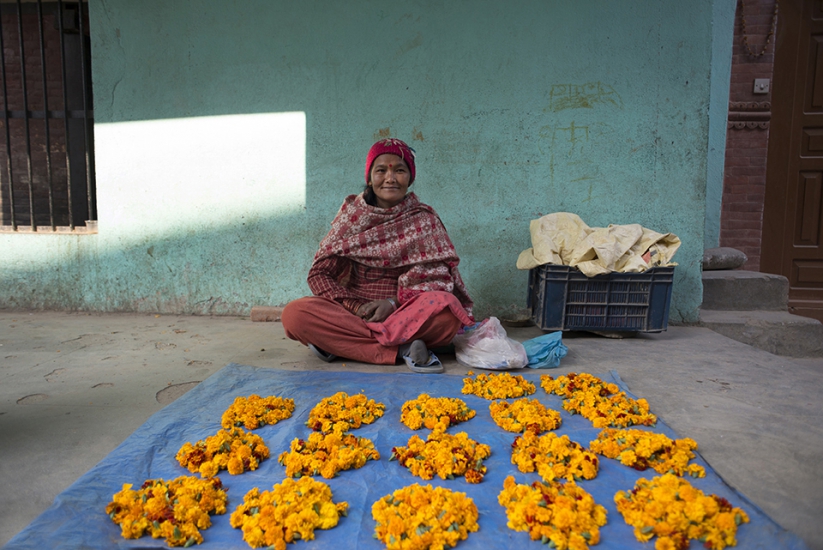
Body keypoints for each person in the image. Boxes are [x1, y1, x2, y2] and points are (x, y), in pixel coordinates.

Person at [281, 138, 474, 373]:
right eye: (381, 170)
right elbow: (320, 274)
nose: (390, 179)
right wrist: (356, 307)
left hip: (404, 314)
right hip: (355, 313)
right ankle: (403, 350)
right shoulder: (352, 217)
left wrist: (392, 304)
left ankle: (343, 345)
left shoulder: (424, 219)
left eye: (400, 171)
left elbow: (438, 282)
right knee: (295, 315)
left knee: (448, 312)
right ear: (369, 178)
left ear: (410, 178)